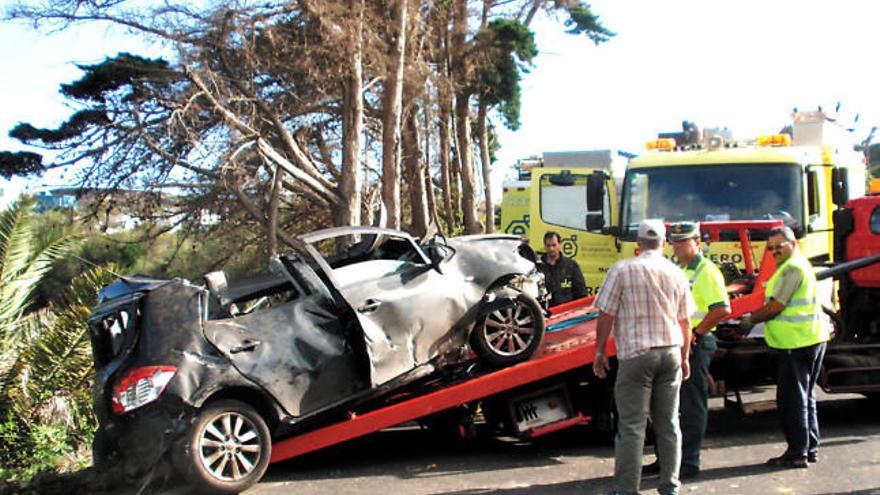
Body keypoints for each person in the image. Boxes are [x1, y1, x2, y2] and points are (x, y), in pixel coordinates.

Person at [593, 219, 695, 495]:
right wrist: (685, 357)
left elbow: (606, 314)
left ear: (638, 244)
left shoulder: (622, 270)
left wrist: (600, 351)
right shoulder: (677, 273)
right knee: (669, 423)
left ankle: (627, 489)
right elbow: (685, 322)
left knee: (632, 427)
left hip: (637, 355)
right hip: (671, 352)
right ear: (664, 243)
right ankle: (670, 486)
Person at [644, 222, 731, 479]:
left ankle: (689, 462)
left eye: (684, 241)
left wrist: (698, 331)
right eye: (675, 242)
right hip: (673, 342)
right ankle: (666, 459)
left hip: (695, 344)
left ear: (697, 242)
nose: (678, 246)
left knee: (691, 406)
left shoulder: (706, 271)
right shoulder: (678, 269)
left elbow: (722, 309)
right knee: (666, 406)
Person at [740, 226, 829, 469]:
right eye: (771, 248)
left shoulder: (792, 268)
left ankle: (797, 453)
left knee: (793, 399)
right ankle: (809, 448)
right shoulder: (793, 265)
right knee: (806, 396)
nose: (775, 251)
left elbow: (776, 306)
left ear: (793, 244)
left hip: (796, 342)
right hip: (809, 337)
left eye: (780, 246)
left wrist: (749, 321)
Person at [538, 231, 588, 306]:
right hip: (544, 313)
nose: (551, 249)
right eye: (548, 245)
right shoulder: (538, 267)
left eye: (554, 245)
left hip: (566, 313)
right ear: (544, 246)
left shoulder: (571, 266)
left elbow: (581, 293)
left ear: (559, 245)